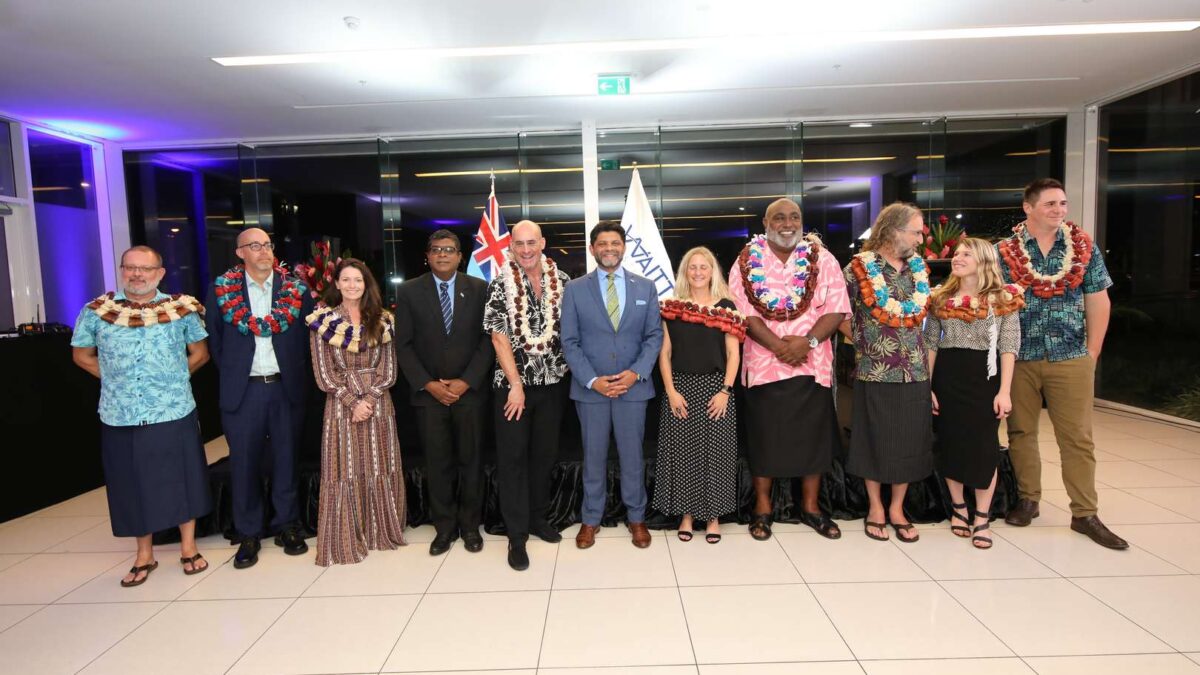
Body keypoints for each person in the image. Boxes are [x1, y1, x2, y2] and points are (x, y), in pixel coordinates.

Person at [997, 178, 1127, 549]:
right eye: (1050, 204)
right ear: (1028, 207)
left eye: (1063, 203)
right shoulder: (1003, 251)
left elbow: (1098, 299)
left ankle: (1085, 513)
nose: (1059, 210)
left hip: (1070, 356)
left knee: (1077, 438)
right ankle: (1028, 499)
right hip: (1018, 357)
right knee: (1021, 432)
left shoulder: (1083, 247)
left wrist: (1092, 353)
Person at [71, 246, 212, 586]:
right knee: (130, 483)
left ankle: (189, 548)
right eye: (130, 267)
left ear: (159, 273)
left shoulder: (181, 309)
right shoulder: (97, 311)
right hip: (120, 414)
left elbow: (200, 353)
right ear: (122, 271)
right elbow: (81, 355)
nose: (137, 274)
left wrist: (173, 380)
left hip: (173, 408)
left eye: (145, 269)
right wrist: (114, 380)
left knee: (181, 478)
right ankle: (144, 554)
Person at [728, 199, 851, 542]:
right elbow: (743, 314)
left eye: (794, 217)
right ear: (765, 223)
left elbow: (837, 309)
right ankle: (762, 509)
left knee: (813, 440)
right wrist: (779, 347)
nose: (787, 223)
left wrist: (806, 343)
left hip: (812, 366)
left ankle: (811, 507)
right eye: (779, 217)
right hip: (763, 368)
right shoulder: (745, 261)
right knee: (765, 440)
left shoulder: (823, 259)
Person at [205, 228, 315, 569]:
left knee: (287, 458)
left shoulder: (295, 290)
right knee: (243, 462)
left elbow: (307, 341)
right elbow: (216, 343)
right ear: (240, 253)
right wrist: (238, 373)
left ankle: (287, 525)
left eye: (268, 245)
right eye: (255, 246)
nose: (265, 251)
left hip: (285, 387)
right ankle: (249, 532)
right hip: (244, 390)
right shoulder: (222, 291)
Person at [561, 221, 664, 550]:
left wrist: (636, 373)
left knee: (632, 457)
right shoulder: (575, 289)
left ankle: (637, 517)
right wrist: (593, 381)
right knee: (593, 457)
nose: (609, 248)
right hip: (591, 390)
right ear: (592, 249)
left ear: (624, 247)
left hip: (633, 389)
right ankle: (591, 519)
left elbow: (654, 336)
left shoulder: (645, 287)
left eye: (615, 243)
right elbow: (569, 341)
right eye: (602, 243)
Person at [395, 230, 495, 556]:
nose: (442, 254)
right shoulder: (409, 291)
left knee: (471, 462)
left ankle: (470, 526)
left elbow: (488, 340)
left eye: (449, 250)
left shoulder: (480, 289)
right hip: (429, 396)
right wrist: (429, 384)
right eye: (436, 250)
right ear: (427, 256)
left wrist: (467, 381)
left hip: (470, 393)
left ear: (460, 256)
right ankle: (445, 528)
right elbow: (403, 346)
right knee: (437, 464)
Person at [841, 202, 934, 543]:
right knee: (874, 439)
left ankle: (897, 508)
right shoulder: (858, 268)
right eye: (916, 232)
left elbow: (925, 316)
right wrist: (864, 341)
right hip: (875, 370)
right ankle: (876, 507)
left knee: (909, 440)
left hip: (915, 370)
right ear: (894, 230)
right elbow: (839, 314)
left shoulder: (919, 269)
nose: (920, 240)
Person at [483, 220, 571, 571]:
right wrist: (516, 385)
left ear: (542, 243)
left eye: (531, 242)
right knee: (513, 460)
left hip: (553, 383)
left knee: (544, 455)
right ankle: (516, 536)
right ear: (511, 248)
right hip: (512, 389)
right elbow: (498, 337)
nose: (526, 250)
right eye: (519, 244)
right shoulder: (499, 283)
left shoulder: (562, 280)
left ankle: (537, 518)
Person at [924, 238, 1023, 550]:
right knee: (950, 442)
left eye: (967, 254)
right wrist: (928, 387)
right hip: (948, 377)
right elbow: (930, 343)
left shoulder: (1004, 298)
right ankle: (958, 508)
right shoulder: (939, 297)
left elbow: (1009, 346)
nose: (958, 257)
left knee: (984, 447)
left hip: (986, 378)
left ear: (984, 261)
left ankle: (982, 516)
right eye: (956, 253)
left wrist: (1005, 391)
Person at [308, 258, 406, 565]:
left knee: (379, 463)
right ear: (337, 284)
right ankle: (347, 534)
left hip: (379, 404)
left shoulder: (383, 319)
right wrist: (354, 402)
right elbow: (323, 374)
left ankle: (380, 530)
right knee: (344, 468)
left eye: (358, 280)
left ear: (367, 284)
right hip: (341, 406)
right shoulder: (323, 321)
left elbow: (389, 370)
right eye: (347, 279)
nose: (352, 285)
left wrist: (370, 400)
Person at [656, 247, 746, 545]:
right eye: (692, 267)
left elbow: (733, 354)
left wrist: (725, 391)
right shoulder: (672, 307)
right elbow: (665, 354)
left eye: (703, 267)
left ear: (712, 271)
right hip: (680, 388)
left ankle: (713, 517)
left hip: (716, 389)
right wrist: (670, 391)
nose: (697, 272)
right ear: (685, 271)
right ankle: (686, 515)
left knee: (716, 454)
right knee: (683, 454)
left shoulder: (727, 307)